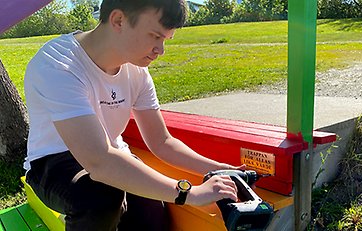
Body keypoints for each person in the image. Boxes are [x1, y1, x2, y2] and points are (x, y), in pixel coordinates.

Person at [23, 0, 244, 230]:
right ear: (118, 20)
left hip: (112, 153)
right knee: (101, 199)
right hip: (53, 163)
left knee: (151, 217)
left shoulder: (137, 72)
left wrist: (218, 168)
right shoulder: (58, 64)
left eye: (165, 40)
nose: (161, 50)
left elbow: (162, 141)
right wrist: (188, 193)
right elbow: (98, 161)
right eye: (155, 36)